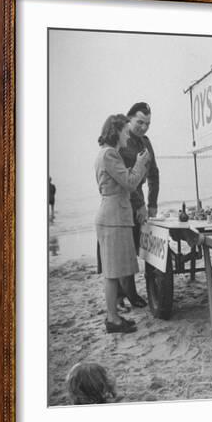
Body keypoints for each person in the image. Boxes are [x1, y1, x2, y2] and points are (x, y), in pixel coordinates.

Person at [95, 114, 150, 333]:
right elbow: (129, 183)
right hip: (113, 218)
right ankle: (113, 319)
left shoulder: (107, 154)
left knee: (113, 271)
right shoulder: (109, 154)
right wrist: (140, 163)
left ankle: (114, 316)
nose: (128, 135)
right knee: (112, 272)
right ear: (116, 131)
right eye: (125, 131)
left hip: (113, 216)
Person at [118, 102, 160, 308]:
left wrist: (152, 203)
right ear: (129, 119)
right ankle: (126, 294)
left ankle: (129, 293)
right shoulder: (122, 142)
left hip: (140, 196)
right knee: (124, 249)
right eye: (140, 122)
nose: (143, 127)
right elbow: (127, 180)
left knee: (135, 246)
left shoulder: (145, 142)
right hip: (123, 199)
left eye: (148, 124)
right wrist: (140, 205)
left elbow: (154, 173)